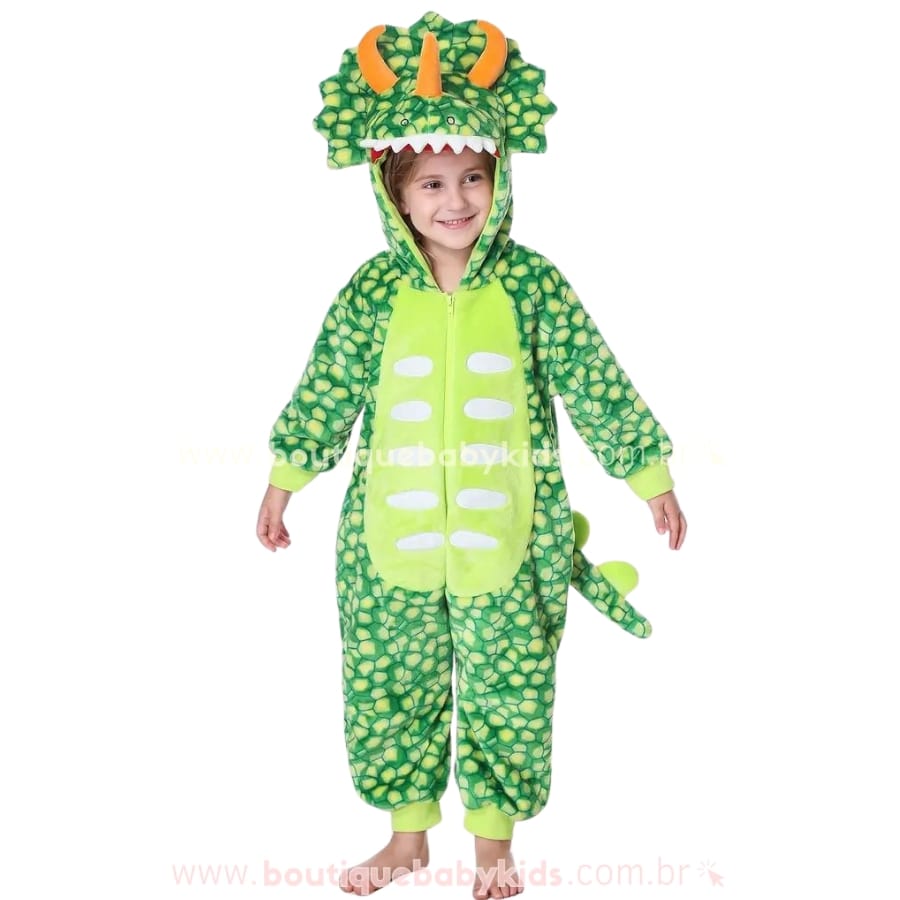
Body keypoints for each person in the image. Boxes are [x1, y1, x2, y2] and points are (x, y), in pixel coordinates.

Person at [256, 12, 686, 899]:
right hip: (387, 545)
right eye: (432, 183)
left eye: (473, 178)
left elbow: (596, 380)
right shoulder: (373, 293)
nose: (456, 201)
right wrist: (284, 480)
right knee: (389, 687)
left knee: (508, 691)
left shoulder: (532, 285)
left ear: (500, 177)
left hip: (511, 541)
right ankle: (406, 838)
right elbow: (325, 387)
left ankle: (494, 847)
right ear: (394, 192)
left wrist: (649, 477)